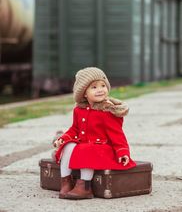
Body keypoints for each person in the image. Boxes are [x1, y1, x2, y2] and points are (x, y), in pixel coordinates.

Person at [53, 67, 136, 200]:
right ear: (84, 93)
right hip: (84, 146)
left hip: (102, 149)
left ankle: (84, 187)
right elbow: (75, 129)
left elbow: (117, 135)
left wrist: (123, 152)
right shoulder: (79, 110)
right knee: (68, 146)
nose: (100, 90)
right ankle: (66, 182)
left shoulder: (107, 111)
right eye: (94, 87)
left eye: (103, 85)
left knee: (86, 149)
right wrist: (64, 138)